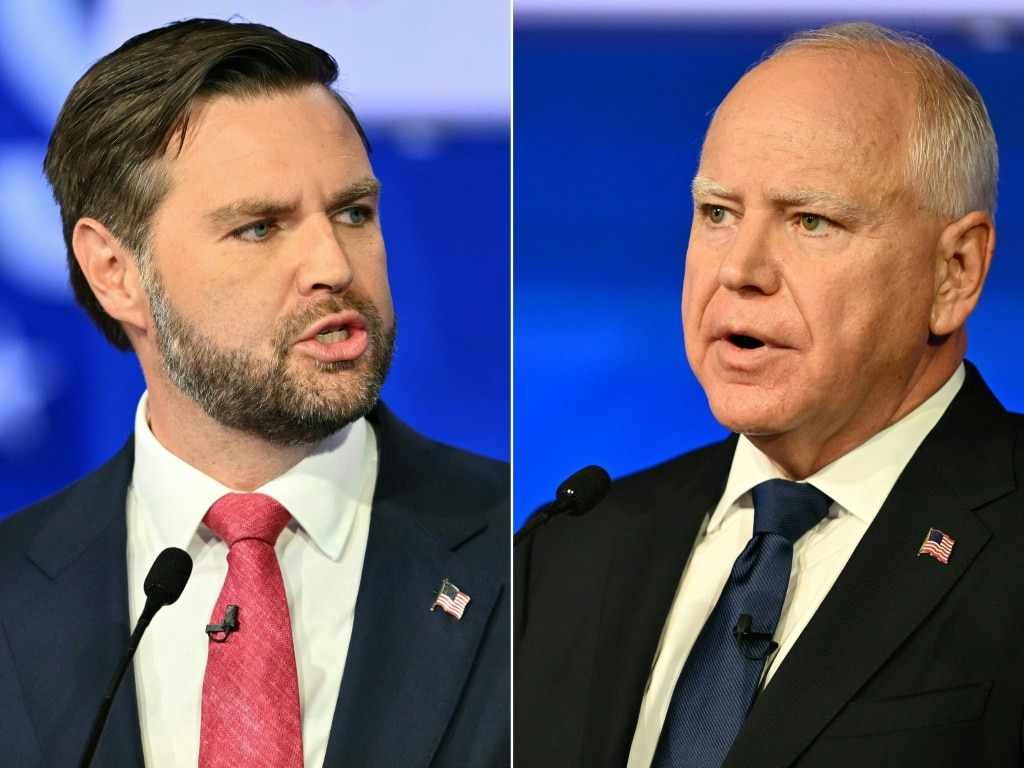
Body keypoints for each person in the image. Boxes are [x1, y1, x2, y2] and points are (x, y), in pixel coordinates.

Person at [0, 18, 508, 768]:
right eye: (259, 228)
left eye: (353, 213)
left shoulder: (527, 555)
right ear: (115, 272)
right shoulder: (13, 592)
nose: (332, 264)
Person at [515, 21, 1024, 768]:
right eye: (717, 213)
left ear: (955, 273)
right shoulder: (568, 550)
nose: (739, 268)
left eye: (811, 221)